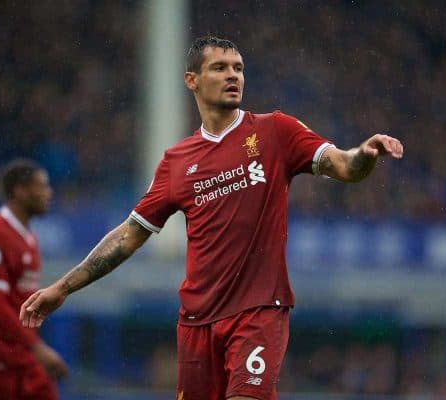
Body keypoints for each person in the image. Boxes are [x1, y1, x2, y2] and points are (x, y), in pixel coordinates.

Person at [20, 36, 404, 400]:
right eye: (219, 67)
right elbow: (128, 235)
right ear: (192, 80)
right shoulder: (177, 162)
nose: (233, 75)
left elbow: (342, 164)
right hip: (197, 323)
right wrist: (63, 288)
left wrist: (365, 154)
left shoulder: (275, 131)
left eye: (238, 68)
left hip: (258, 312)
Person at [0, 159, 68, 400]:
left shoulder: (27, 238)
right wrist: (37, 348)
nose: (49, 193)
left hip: (21, 361)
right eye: (42, 186)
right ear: (20, 191)